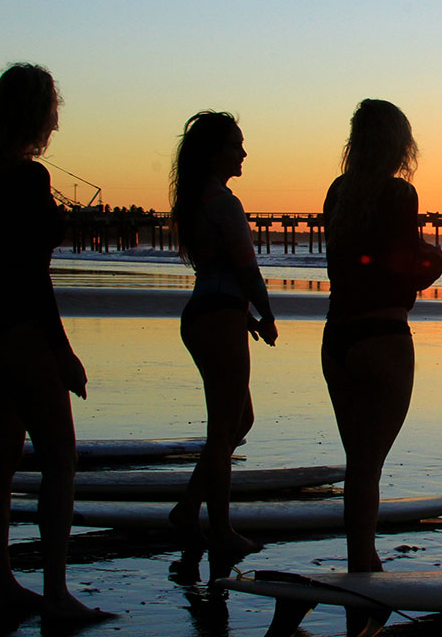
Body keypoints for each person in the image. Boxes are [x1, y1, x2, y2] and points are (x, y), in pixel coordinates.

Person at [0, 63, 112, 621]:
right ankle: (55, 591)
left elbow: (3, 267)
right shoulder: (27, 178)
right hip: (23, 328)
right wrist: (63, 352)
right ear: (37, 112)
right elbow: (31, 275)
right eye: (51, 107)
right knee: (59, 460)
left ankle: (1, 584)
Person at [322, 99, 442, 632]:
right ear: (399, 144)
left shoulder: (337, 191)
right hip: (384, 335)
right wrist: (433, 262)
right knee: (369, 466)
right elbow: (403, 272)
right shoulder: (400, 193)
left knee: (358, 463)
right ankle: (361, 575)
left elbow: (354, 263)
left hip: (338, 335)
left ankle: (363, 562)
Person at [168, 111, 276, 557]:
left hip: (209, 313)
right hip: (218, 316)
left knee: (237, 420)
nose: (243, 153)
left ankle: (191, 509)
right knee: (225, 426)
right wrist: (267, 313)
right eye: (235, 145)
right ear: (215, 153)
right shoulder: (222, 202)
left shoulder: (197, 198)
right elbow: (245, 267)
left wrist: (245, 315)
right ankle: (219, 527)